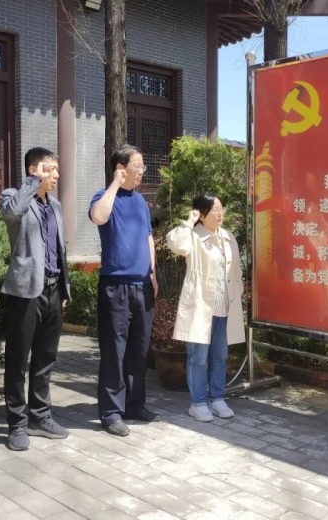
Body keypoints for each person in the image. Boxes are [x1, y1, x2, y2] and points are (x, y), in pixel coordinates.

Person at [0, 147, 71, 451]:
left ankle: (40, 416)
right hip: (25, 291)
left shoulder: (55, 205)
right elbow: (12, 213)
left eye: (56, 169)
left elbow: (59, 249)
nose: (56, 175)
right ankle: (16, 423)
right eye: (50, 169)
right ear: (33, 170)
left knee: (45, 358)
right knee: (18, 360)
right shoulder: (13, 197)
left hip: (53, 290)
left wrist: (64, 289)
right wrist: (31, 183)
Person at [89, 145, 159, 437]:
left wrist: (152, 272)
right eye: (137, 166)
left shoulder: (140, 201)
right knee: (114, 351)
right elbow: (98, 217)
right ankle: (111, 411)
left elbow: (148, 237)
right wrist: (115, 185)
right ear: (121, 168)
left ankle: (134, 404)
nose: (142, 171)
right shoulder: (103, 197)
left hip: (142, 285)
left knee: (139, 350)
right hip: (115, 286)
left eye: (142, 166)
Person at [166, 193, 245, 422]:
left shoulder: (228, 237)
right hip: (201, 308)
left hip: (224, 307)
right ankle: (198, 403)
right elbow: (175, 244)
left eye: (221, 208)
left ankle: (218, 398)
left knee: (220, 356)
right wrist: (188, 222)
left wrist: (238, 289)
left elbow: (236, 271)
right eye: (214, 210)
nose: (220, 213)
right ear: (202, 214)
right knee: (198, 357)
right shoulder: (193, 236)